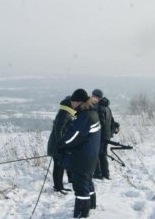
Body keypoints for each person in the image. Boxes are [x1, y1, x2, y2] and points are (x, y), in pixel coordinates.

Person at [59, 89, 101, 218]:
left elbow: (74, 137)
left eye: (73, 102)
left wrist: (61, 144)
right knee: (87, 181)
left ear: (79, 102)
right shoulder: (91, 112)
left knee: (81, 187)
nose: (71, 104)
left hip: (82, 158)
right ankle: (92, 205)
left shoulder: (86, 116)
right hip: (90, 155)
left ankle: (82, 214)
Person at [47, 96, 75, 194]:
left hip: (58, 145)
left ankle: (60, 186)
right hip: (57, 145)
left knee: (60, 166)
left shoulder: (67, 112)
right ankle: (57, 187)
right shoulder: (64, 113)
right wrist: (60, 144)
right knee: (58, 166)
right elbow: (58, 130)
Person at [92, 89, 120, 180]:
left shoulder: (99, 107)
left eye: (93, 96)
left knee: (96, 154)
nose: (92, 97)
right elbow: (112, 121)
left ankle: (98, 174)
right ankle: (106, 174)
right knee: (103, 154)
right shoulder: (107, 107)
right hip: (107, 135)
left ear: (97, 97)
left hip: (100, 135)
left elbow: (101, 123)